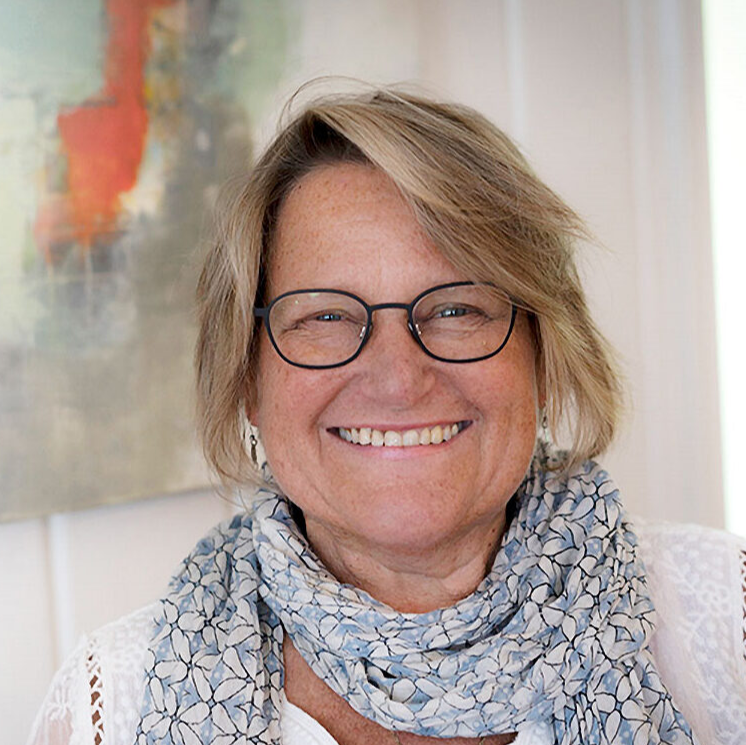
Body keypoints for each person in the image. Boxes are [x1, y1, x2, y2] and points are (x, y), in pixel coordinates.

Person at [29, 87, 746, 745]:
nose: (400, 380)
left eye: (456, 308)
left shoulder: (725, 619)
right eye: (326, 317)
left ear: (544, 351)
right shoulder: (111, 706)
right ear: (248, 378)